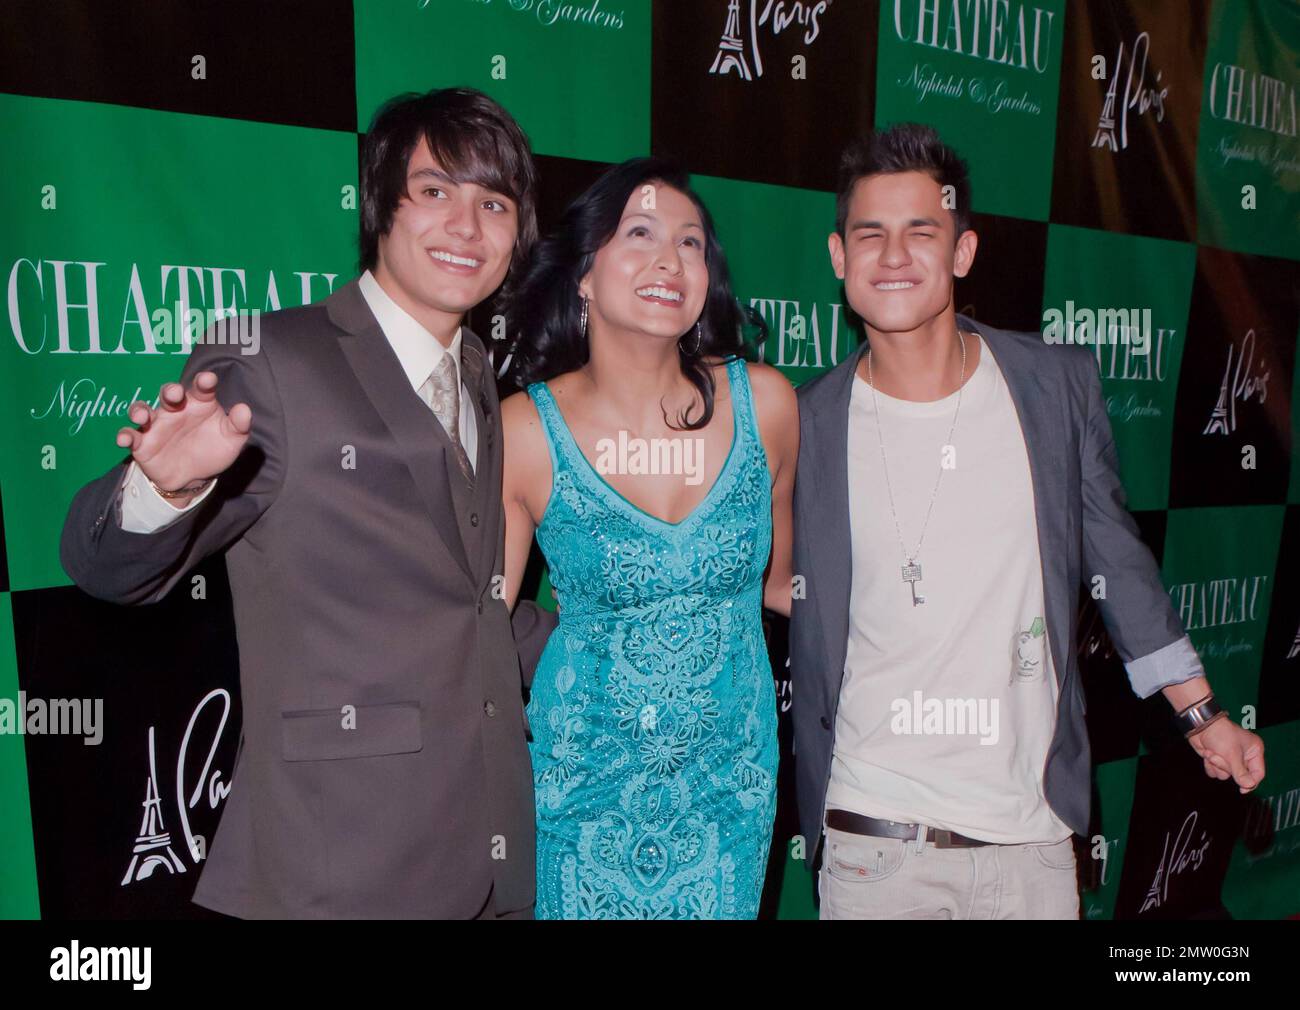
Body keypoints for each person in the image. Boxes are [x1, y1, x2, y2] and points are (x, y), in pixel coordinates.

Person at [60, 88, 556, 919]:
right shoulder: (273, 361)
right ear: (379, 207)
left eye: (494, 203)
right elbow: (103, 567)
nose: (467, 228)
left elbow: (474, 604)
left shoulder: (476, 368)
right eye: (435, 192)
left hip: (488, 854)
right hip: (337, 870)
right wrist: (164, 487)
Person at [789, 123, 1266, 920]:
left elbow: (1117, 559)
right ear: (840, 258)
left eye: (922, 232)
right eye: (870, 234)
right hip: (873, 843)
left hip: (1031, 840)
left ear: (963, 252)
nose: (895, 255)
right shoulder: (803, 425)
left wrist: (1202, 712)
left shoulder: (1052, 387)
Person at [499, 158, 798, 918]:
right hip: (581, 785)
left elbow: (785, 586)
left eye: (691, 243)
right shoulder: (525, 432)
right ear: (584, 276)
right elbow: (478, 621)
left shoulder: (764, 405)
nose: (670, 259)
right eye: (639, 234)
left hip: (730, 789)